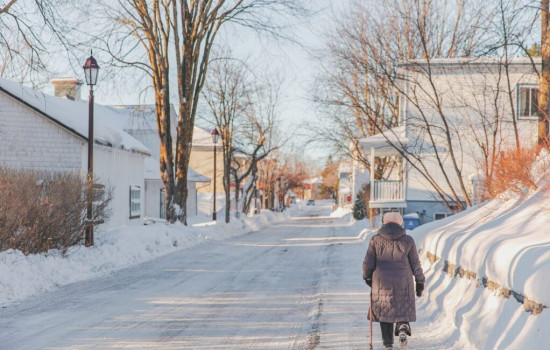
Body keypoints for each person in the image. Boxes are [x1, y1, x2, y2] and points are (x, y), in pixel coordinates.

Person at [362, 212, 425, 349]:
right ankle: (402, 327)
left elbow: (368, 262)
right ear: (400, 223)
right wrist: (420, 281)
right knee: (401, 308)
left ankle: (388, 344)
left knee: (385, 313)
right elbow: (415, 263)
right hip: (404, 282)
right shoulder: (408, 240)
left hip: (381, 283)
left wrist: (367, 277)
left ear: (384, 223)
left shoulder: (375, 240)